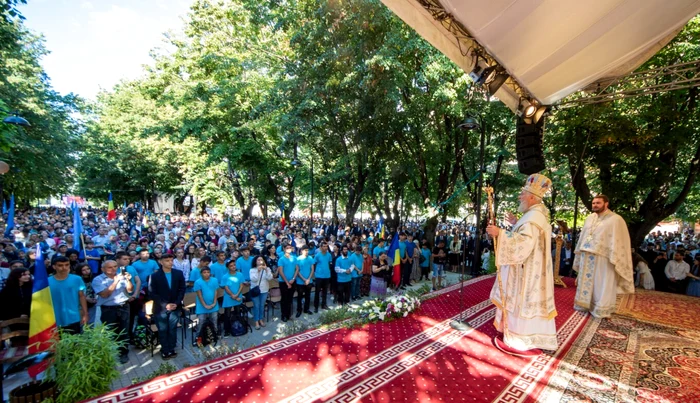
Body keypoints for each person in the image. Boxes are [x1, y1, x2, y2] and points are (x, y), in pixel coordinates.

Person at [486, 173, 557, 356]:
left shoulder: (534, 217)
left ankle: (519, 339)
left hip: (526, 273)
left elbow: (524, 244)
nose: (520, 196)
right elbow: (529, 238)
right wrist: (516, 223)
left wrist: (500, 233)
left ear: (532, 197)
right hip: (531, 269)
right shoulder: (535, 215)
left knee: (522, 302)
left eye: (522, 194)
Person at [573, 194, 634, 318]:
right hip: (587, 255)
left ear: (606, 204)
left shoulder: (616, 219)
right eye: (594, 203)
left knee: (602, 283)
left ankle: (601, 307)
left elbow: (620, 241)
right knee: (586, 283)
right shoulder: (590, 218)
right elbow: (583, 236)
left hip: (604, 257)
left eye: (598, 203)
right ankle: (584, 304)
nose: (595, 205)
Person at [93, 259, 133, 364]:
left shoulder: (122, 276)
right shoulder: (98, 280)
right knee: (110, 332)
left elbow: (129, 290)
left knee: (124, 331)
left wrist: (128, 280)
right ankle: (110, 352)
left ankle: (123, 353)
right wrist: (115, 281)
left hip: (123, 307)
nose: (113, 269)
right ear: (103, 269)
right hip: (108, 309)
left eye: (115, 266)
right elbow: (105, 294)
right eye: (110, 267)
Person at [148, 253, 186, 359]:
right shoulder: (154, 276)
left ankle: (172, 348)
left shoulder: (178, 273)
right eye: (167, 261)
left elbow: (182, 289)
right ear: (161, 262)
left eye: (171, 260)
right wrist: (166, 305)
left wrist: (176, 303)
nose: (170, 262)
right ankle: (165, 350)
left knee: (172, 329)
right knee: (163, 329)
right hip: (160, 308)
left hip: (175, 306)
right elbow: (152, 293)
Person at [48, 256, 88, 335]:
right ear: (54, 267)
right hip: (54, 318)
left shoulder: (77, 279)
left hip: (73, 317)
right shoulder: (47, 281)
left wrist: (85, 313)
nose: (64, 268)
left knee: (74, 343)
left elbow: (82, 296)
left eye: (67, 265)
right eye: (60, 265)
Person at [193, 266, 219, 343]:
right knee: (201, 322)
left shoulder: (214, 280)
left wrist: (214, 303)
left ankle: (214, 336)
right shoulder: (198, 282)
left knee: (214, 321)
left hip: (213, 305)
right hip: (202, 307)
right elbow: (199, 295)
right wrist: (205, 305)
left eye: (208, 272)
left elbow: (216, 292)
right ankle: (198, 338)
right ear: (201, 274)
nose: (207, 274)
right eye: (204, 272)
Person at [221, 259, 244, 336]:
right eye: (231, 266)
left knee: (238, 312)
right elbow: (226, 287)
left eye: (234, 265)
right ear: (228, 267)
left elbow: (241, 285)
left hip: (238, 296)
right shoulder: (225, 276)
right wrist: (232, 295)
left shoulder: (240, 274)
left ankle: (238, 328)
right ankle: (227, 330)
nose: (233, 266)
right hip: (228, 297)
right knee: (227, 314)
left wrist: (237, 294)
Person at [250, 256, 274, 329]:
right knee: (256, 306)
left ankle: (261, 319)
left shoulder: (267, 269)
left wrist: (266, 270)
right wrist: (258, 271)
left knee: (262, 305)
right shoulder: (252, 270)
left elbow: (270, 278)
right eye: (258, 260)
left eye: (261, 260)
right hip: (255, 291)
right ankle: (256, 321)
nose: (260, 261)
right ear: (255, 261)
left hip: (264, 290)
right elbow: (254, 279)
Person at [277, 244, 296, 322]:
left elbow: (297, 269)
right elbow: (280, 271)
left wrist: (293, 279)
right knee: (284, 299)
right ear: (284, 249)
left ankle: (289, 315)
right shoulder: (281, 259)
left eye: (290, 248)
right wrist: (287, 282)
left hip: (292, 281)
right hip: (283, 282)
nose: (289, 249)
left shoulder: (294, 258)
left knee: (290, 298)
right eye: (287, 248)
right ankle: (283, 315)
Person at [295, 246, 314, 317]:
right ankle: (299, 310)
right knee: (299, 296)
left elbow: (312, 269)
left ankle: (306, 309)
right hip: (300, 281)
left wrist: (308, 279)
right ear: (302, 251)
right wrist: (304, 279)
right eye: (305, 250)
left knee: (308, 296)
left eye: (307, 250)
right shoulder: (298, 259)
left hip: (309, 281)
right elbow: (297, 271)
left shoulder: (310, 258)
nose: (307, 252)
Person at [313, 242, 332, 312]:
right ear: (321, 247)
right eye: (324, 246)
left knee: (325, 291)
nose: (325, 248)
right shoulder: (317, 255)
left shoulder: (329, 255)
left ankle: (324, 304)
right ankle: (316, 306)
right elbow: (314, 264)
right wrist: (316, 272)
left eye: (326, 246)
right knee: (317, 292)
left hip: (326, 276)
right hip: (319, 276)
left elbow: (330, 263)